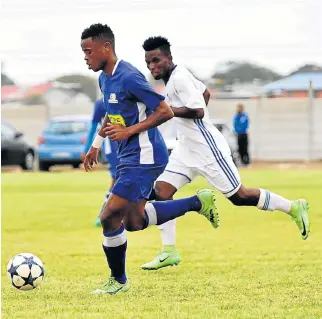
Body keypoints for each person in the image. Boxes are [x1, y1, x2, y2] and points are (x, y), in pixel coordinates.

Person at [141, 36, 310, 271]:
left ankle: (293, 207)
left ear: (169, 57)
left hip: (208, 150)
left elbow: (199, 109)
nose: (152, 67)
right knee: (161, 192)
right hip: (185, 149)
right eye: (148, 63)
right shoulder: (177, 76)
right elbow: (205, 93)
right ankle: (169, 251)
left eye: (156, 60)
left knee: (240, 197)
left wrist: (171, 112)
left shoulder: (179, 78)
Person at [81, 24, 218, 295]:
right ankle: (197, 202)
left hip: (144, 156)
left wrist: (128, 131)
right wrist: (96, 145)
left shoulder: (130, 76)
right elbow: (111, 111)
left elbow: (164, 111)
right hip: (128, 156)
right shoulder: (104, 79)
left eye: (88, 51)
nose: (85, 57)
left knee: (109, 216)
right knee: (134, 222)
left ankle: (118, 282)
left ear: (106, 47)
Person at [81, 98, 119, 227]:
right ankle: (103, 214)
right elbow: (93, 127)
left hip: (130, 143)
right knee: (116, 178)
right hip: (112, 147)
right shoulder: (101, 103)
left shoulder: (128, 94)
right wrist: (87, 149)